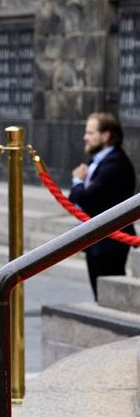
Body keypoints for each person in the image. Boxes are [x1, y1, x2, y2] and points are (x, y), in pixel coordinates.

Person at [70, 112, 136, 299]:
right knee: (100, 294)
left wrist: (77, 181)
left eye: (90, 133)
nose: (86, 137)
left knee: (110, 296)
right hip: (96, 237)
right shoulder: (98, 161)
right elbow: (76, 198)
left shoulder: (115, 164)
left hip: (110, 241)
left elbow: (87, 197)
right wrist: (80, 187)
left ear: (105, 136)